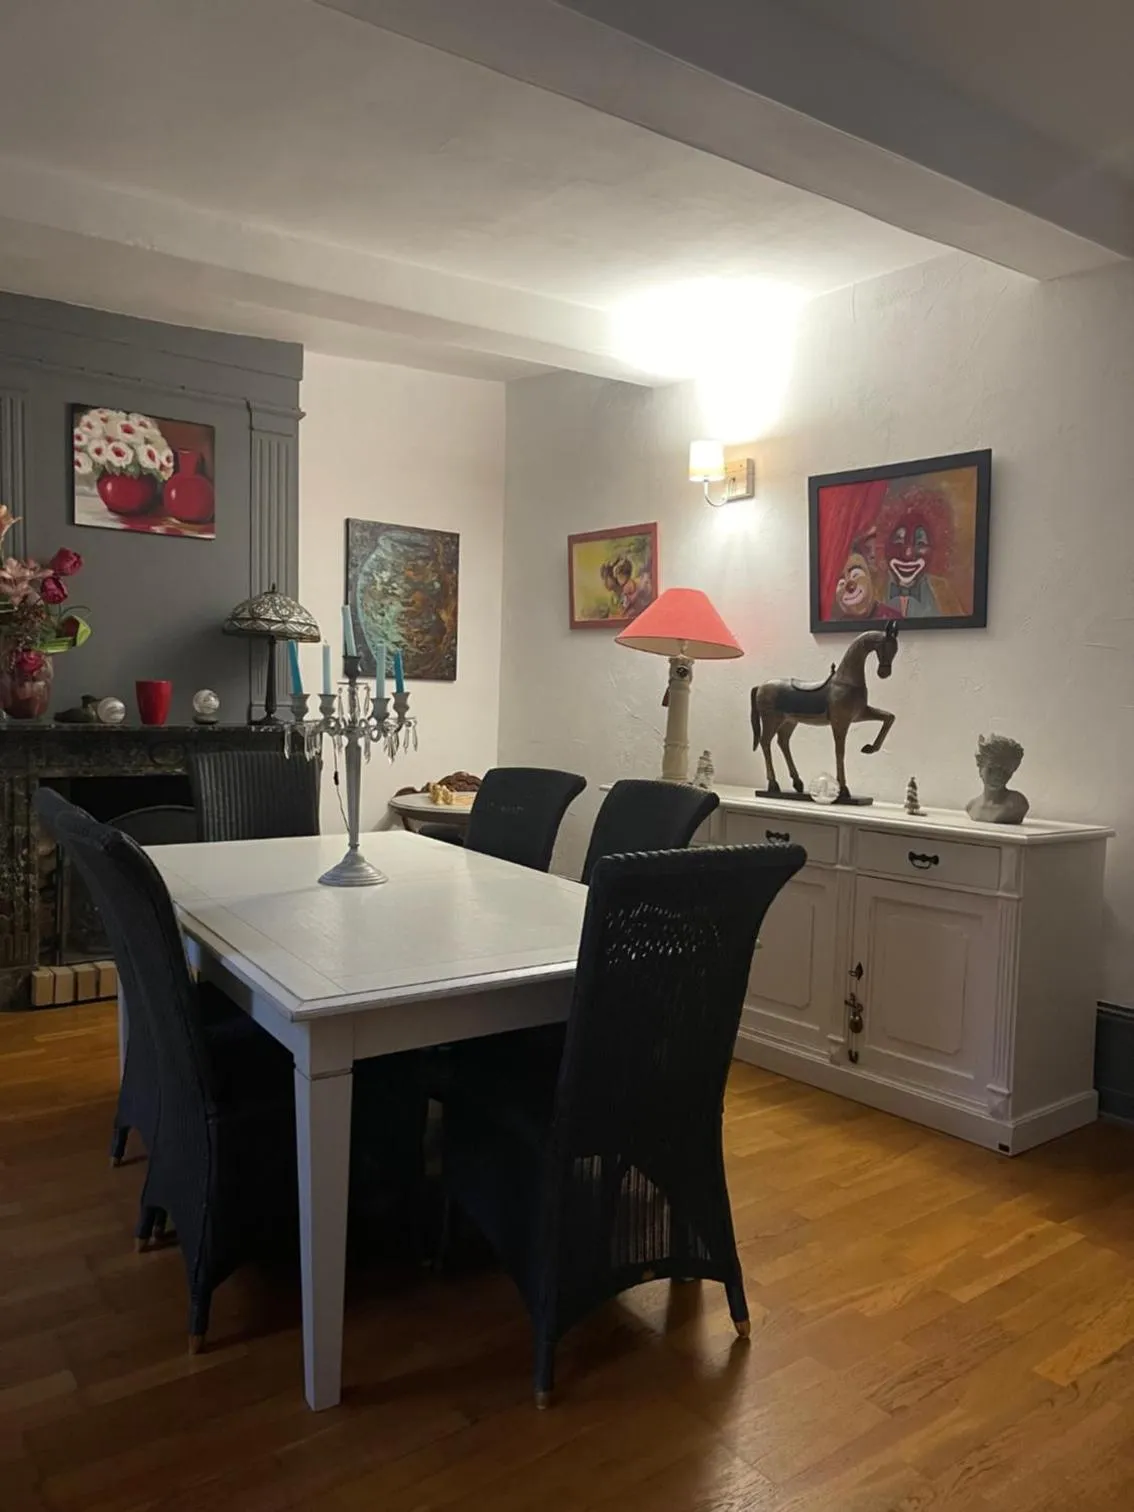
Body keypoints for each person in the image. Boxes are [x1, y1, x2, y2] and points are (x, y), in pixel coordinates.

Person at [966, 734, 1029, 824]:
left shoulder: (1017, 804)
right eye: (992, 768)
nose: (998, 776)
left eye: (1005, 771)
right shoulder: (972, 806)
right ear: (980, 768)